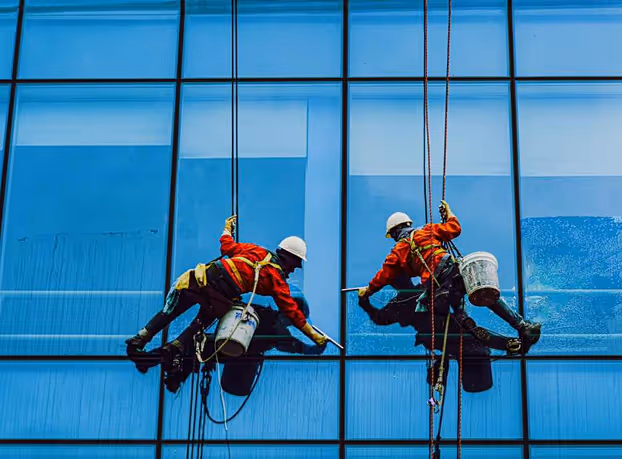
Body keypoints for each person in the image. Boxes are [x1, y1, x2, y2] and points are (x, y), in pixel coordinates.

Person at [125, 215, 326, 371]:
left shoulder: (256, 251)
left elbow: (227, 246)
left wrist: (227, 228)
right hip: (218, 295)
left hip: (199, 280)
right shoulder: (277, 279)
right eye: (296, 264)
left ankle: (140, 339)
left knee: (171, 312)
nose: (294, 269)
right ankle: (174, 348)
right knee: (203, 320)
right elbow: (291, 311)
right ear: (288, 258)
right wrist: (314, 336)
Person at [358, 202, 541, 351]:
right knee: (485, 293)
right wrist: (449, 213)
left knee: (458, 318)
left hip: (438, 286)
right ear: (408, 224)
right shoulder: (427, 231)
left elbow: (384, 276)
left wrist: (368, 291)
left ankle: (491, 338)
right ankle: (523, 326)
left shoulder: (399, 250)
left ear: (395, 232)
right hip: (455, 272)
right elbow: (454, 228)